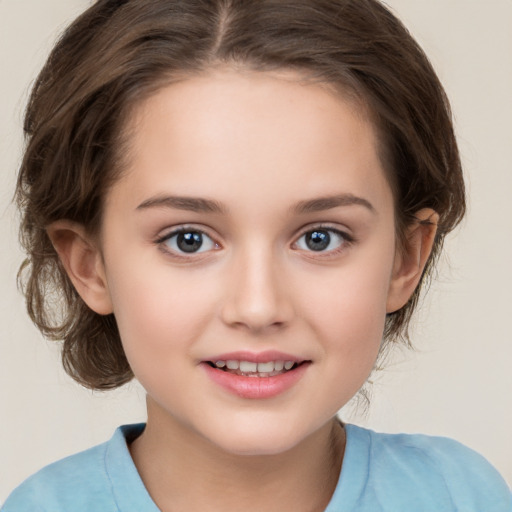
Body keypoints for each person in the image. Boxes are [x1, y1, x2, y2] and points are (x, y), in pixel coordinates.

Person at [2, 0, 510, 510]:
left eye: (320, 238)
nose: (258, 307)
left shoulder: (459, 496)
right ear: (89, 265)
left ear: (406, 257)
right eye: (188, 239)